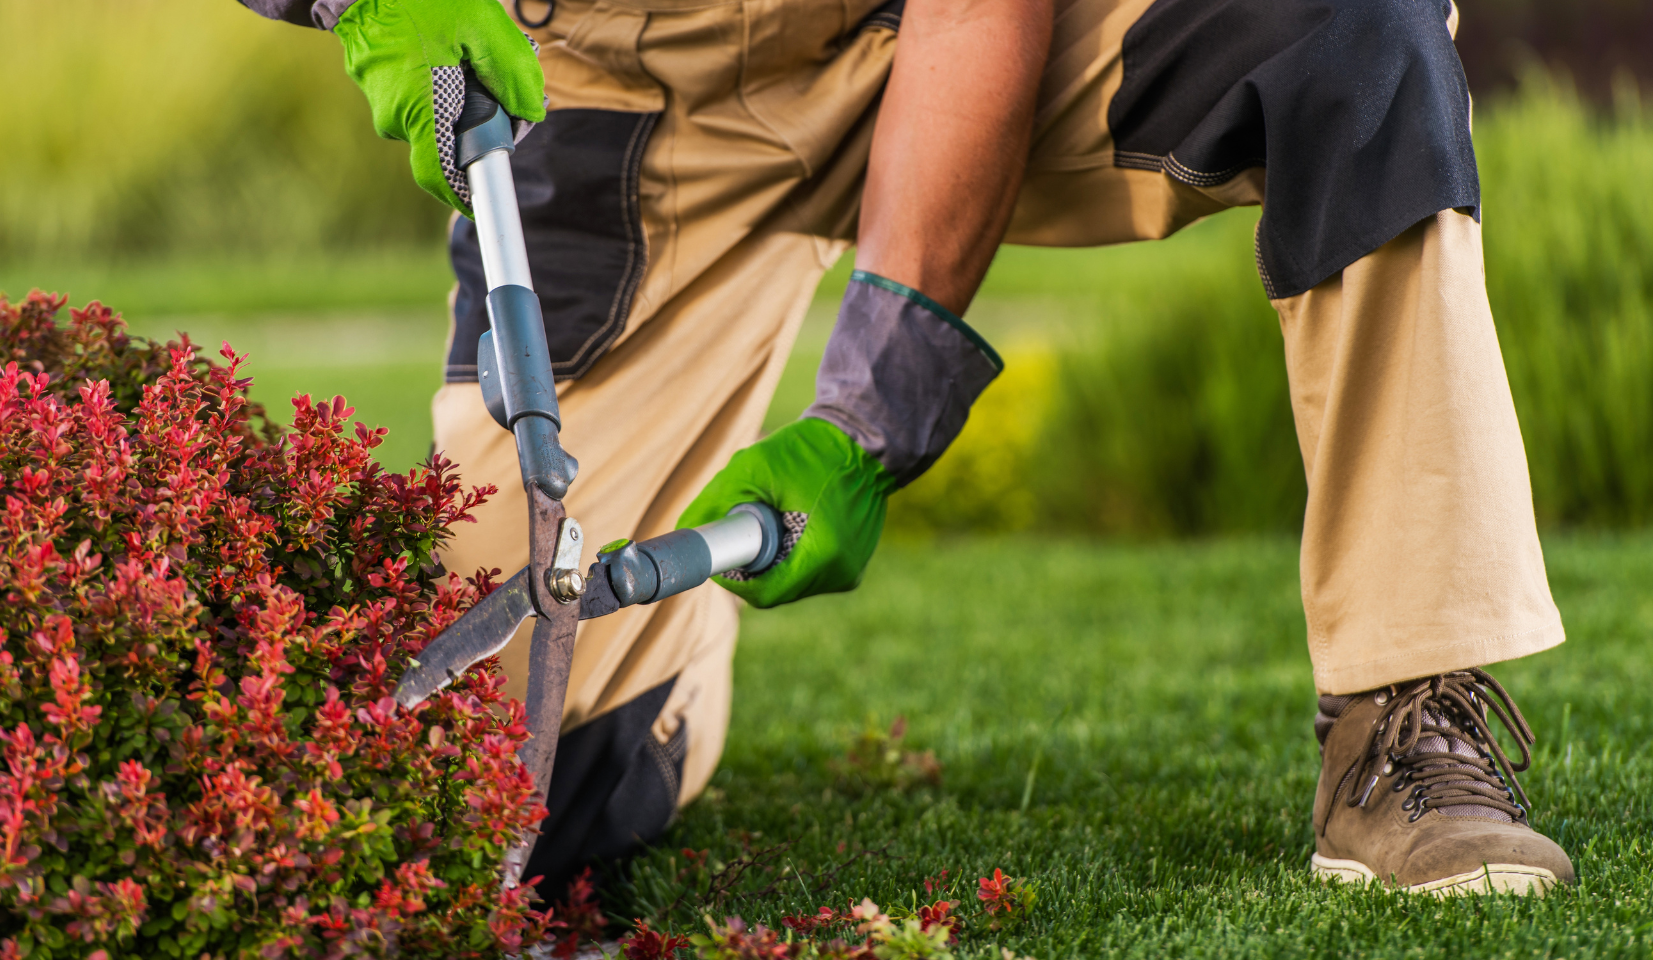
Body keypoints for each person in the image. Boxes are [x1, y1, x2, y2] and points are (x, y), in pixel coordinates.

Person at [239, 0, 1575, 900]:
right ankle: (661, 677)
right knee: (527, 801)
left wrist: (870, 421)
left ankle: (1406, 710)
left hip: (903, 44)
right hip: (599, 90)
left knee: (1352, 36)